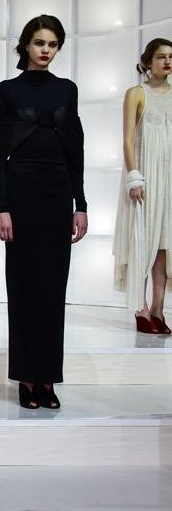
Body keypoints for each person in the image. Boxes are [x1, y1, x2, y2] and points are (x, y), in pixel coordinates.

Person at [0, 14, 88, 410]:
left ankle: (47, 378)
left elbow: (75, 149)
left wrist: (81, 204)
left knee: (53, 290)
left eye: (53, 44)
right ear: (26, 45)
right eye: (40, 42)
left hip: (58, 194)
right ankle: (27, 379)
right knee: (24, 287)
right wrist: (1, 206)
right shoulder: (7, 90)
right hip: (21, 194)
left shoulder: (67, 89)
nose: (46, 50)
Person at [113, 38, 172, 333]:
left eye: (171, 57)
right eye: (161, 57)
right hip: (146, 176)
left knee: (165, 245)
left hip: (170, 177)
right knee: (142, 242)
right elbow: (127, 139)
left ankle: (159, 310)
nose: (167, 62)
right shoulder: (136, 93)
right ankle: (141, 308)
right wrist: (134, 176)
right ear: (148, 61)